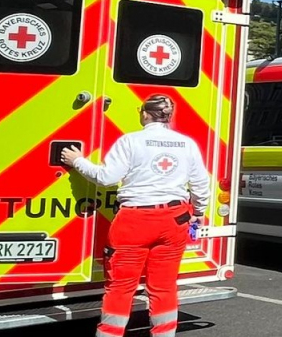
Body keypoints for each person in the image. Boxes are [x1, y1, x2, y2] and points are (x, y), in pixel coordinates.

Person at [61, 94, 210, 337]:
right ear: (169, 116)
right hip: (175, 219)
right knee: (164, 286)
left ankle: (110, 334)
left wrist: (77, 161)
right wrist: (199, 212)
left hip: (135, 221)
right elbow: (201, 184)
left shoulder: (130, 141)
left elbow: (106, 177)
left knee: (121, 286)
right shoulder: (186, 143)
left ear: (144, 113)